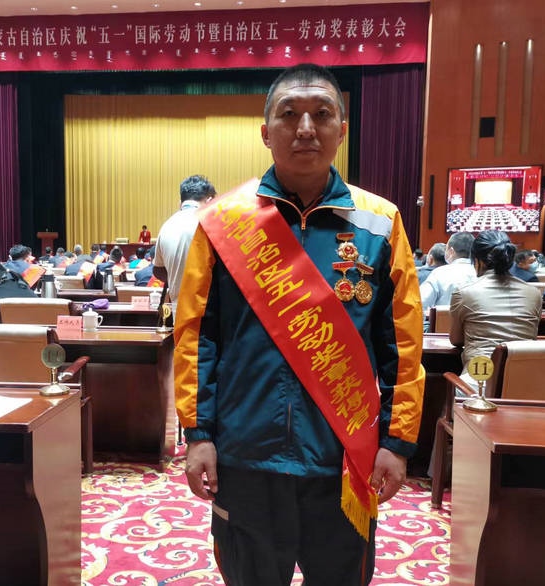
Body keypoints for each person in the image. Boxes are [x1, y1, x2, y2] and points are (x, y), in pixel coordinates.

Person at [173, 64, 425, 586]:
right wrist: (198, 436)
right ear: (266, 132)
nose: (305, 128)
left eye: (321, 114)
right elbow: (198, 337)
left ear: (342, 130)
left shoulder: (380, 222)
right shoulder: (223, 223)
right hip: (246, 455)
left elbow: (401, 344)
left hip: (343, 456)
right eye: (289, 114)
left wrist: (397, 443)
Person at [449, 230, 542, 388]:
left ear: (477, 261)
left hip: (479, 379)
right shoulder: (534, 293)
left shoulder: (464, 293)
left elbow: (456, 340)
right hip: (524, 382)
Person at [153, 175, 217, 304]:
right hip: (208, 308)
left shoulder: (167, 226)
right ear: (210, 201)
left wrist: (178, 279)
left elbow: (158, 270)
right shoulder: (212, 224)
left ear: (180, 202)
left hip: (178, 308)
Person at [419, 231, 476, 314]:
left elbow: (421, 303)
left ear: (451, 251)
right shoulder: (482, 274)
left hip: (443, 322)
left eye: (446, 248)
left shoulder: (439, 273)